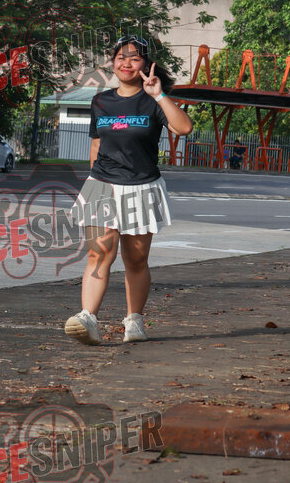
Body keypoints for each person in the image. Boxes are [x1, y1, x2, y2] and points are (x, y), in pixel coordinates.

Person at [64, 35, 193, 346]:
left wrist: (159, 95)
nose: (126, 63)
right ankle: (88, 318)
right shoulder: (101, 102)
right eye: (121, 57)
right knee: (98, 253)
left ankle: (134, 321)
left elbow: (184, 128)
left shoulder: (153, 101)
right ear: (113, 62)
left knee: (135, 260)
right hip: (102, 185)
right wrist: (94, 178)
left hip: (142, 187)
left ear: (145, 65)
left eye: (134, 58)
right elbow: (97, 144)